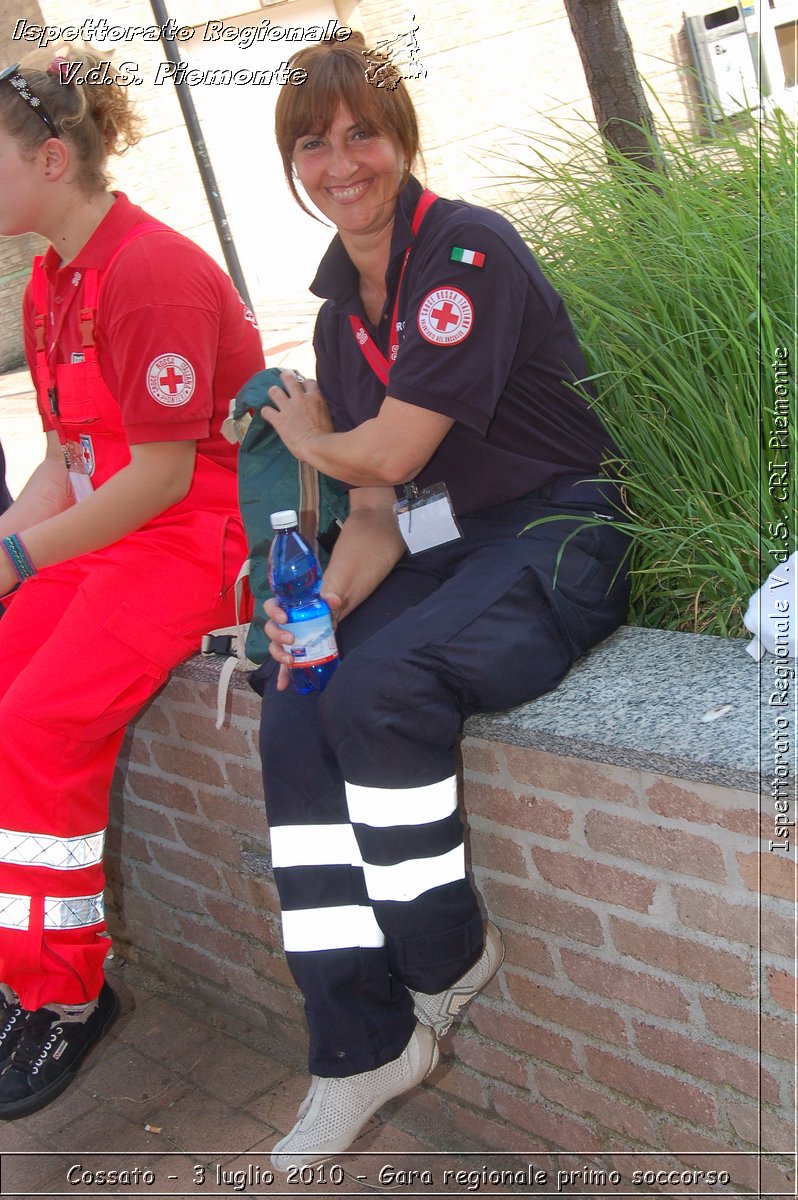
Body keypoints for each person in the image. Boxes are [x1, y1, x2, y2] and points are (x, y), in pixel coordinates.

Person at [254, 33, 631, 1168]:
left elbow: (391, 447)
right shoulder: (335, 310)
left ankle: (442, 957)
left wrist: (309, 434)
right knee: (300, 693)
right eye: (311, 144)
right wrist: (308, 612)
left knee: (382, 687)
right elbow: (375, 513)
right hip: (439, 545)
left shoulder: (465, 251)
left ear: (403, 136)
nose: (340, 163)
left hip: (557, 532)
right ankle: (361, 1045)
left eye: (360, 132)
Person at [0, 48, 264, 1119]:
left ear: (50, 160)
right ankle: (26, 961)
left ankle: (66, 997)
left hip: (197, 538)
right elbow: (66, 461)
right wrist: (7, 547)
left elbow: (161, 477)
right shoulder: (52, 276)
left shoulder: (145, 270)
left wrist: (17, 561)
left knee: (42, 724)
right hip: (118, 537)